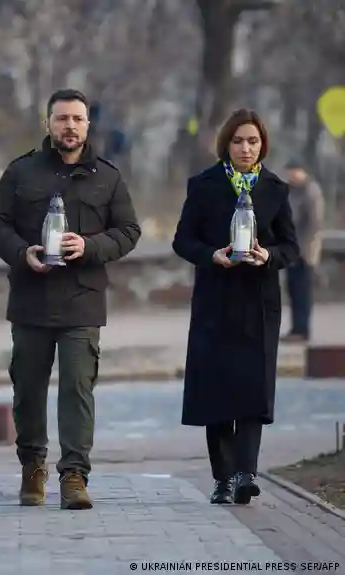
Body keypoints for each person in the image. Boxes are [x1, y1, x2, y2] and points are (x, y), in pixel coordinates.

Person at [0, 88, 141, 510]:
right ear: (48, 123)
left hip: (82, 300)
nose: (70, 126)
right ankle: (32, 467)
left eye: (77, 119)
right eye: (62, 118)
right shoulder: (21, 171)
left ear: (88, 125)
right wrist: (22, 252)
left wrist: (89, 246)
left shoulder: (108, 176)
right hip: (31, 299)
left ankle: (74, 475)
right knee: (28, 390)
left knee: (77, 389)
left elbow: (129, 231)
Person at [172, 109, 299, 506]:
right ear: (226, 144)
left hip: (258, 303)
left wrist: (268, 256)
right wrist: (211, 255)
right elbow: (182, 240)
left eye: (253, 141)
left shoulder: (276, 189)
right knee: (216, 391)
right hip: (215, 300)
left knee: (252, 390)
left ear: (263, 145)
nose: (246, 148)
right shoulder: (204, 185)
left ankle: (246, 473)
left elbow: (291, 247)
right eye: (239, 141)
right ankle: (222, 478)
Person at [281, 159, 325, 343]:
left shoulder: (311, 191)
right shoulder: (290, 191)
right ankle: (295, 329)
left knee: (302, 292)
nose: (291, 176)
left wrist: (302, 248)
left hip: (306, 252)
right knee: (292, 290)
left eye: (293, 172)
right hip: (292, 249)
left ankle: (303, 329)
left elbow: (314, 223)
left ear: (302, 171)